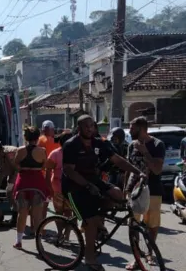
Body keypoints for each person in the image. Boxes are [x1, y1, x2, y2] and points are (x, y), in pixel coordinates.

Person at [62, 115, 146, 271]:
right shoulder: (71, 145)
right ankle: (89, 258)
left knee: (116, 193)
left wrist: (138, 172)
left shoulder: (98, 143)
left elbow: (117, 160)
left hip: (94, 182)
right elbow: (68, 171)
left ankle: (99, 225)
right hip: (74, 188)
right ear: (79, 128)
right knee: (91, 222)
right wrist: (87, 185)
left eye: (91, 125)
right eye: (85, 126)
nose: (89, 128)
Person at [125, 116, 166, 270]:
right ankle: (137, 258)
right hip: (134, 191)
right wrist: (125, 189)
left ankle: (150, 253)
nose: (129, 130)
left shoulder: (157, 144)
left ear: (141, 129)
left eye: (132, 128)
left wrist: (145, 153)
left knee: (152, 226)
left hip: (153, 191)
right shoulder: (131, 146)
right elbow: (128, 169)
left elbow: (157, 170)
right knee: (133, 225)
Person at [12, 127, 50, 249]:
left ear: (25, 138)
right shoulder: (42, 151)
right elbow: (44, 166)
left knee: (22, 213)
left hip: (23, 182)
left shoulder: (20, 150)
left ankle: (18, 241)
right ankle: (38, 243)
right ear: (38, 137)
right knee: (37, 215)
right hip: (37, 183)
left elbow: (16, 165)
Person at [45, 132, 73, 231]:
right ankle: (63, 235)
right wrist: (49, 189)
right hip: (60, 188)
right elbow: (47, 174)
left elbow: (48, 174)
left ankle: (63, 235)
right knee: (65, 213)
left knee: (63, 213)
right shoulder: (55, 154)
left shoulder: (55, 154)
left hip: (67, 188)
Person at [37, 120, 60, 232]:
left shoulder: (40, 140)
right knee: (47, 204)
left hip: (41, 175)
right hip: (52, 177)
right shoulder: (56, 141)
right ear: (52, 129)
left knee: (42, 203)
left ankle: (39, 227)